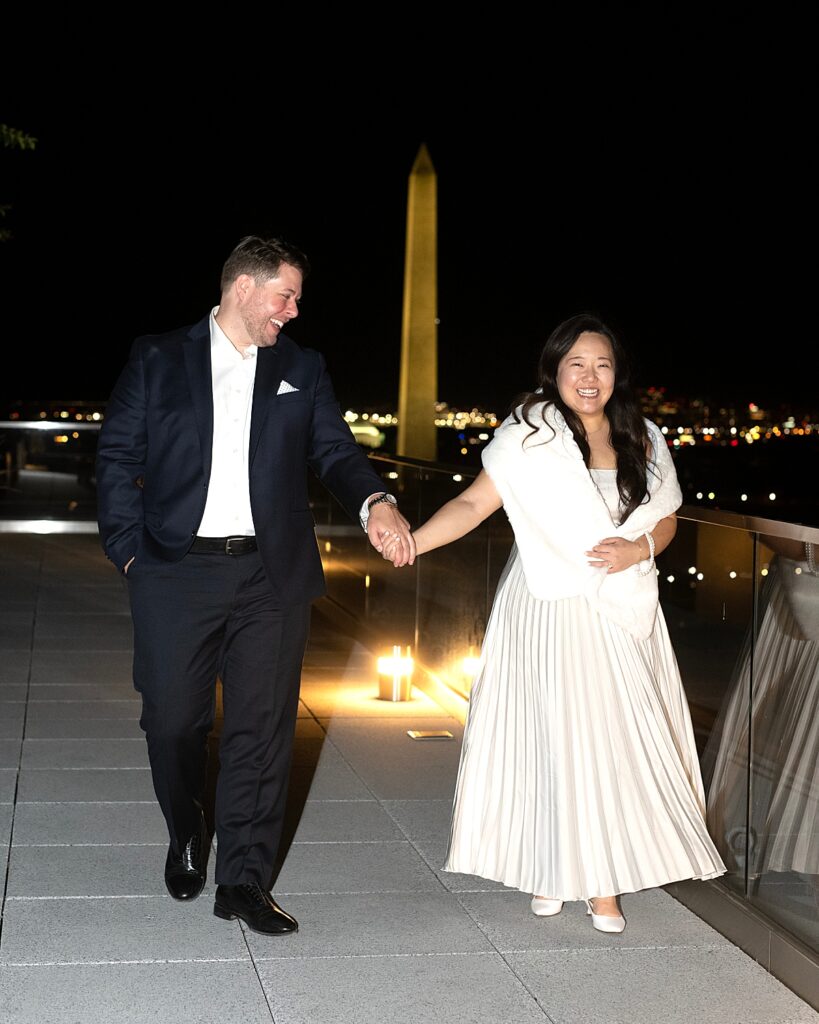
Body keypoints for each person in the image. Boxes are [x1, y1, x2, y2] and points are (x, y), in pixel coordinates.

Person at [95, 234, 415, 936]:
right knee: (173, 721)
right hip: (175, 570)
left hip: (270, 576)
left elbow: (335, 449)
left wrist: (377, 502)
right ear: (243, 288)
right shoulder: (158, 358)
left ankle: (242, 880)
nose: (293, 311)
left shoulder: (302, 367)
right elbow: (116, 458)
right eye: (285, 295)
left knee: (262, 733)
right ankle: (188, 825)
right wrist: (129, 554)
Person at [384, 312, 725, 932]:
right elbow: (470, 503)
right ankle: (553, 870)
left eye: (602, 364)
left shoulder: (642, 436)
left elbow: (668, 517)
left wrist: (638, 549)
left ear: (617, 374)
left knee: (610, 738)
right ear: (555, 371)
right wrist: (414, 542)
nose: (589, 376)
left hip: (619, 605)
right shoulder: (529, 439)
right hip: (546, 604)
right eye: (577, 364)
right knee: (551, 736)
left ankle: (602, 883)